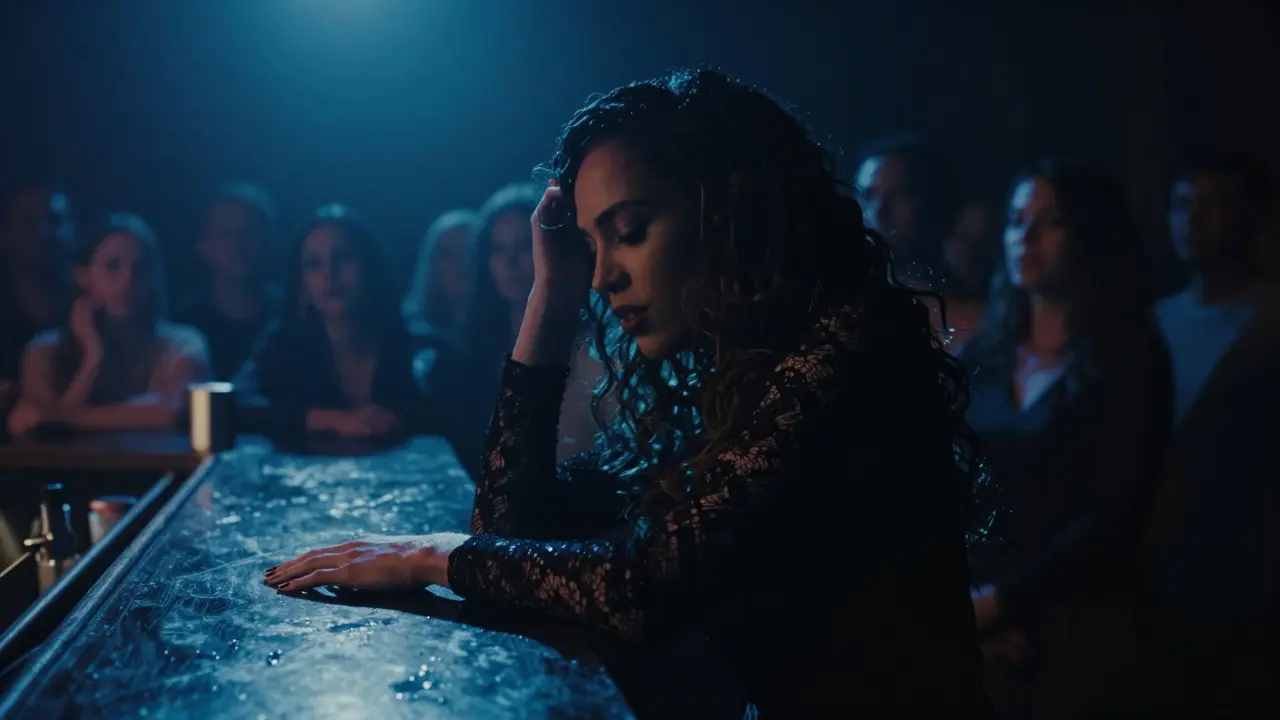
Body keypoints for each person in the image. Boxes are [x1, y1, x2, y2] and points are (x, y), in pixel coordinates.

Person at [266, 70, 989, 714]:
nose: (604, 274)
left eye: (630, 232)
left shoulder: (848, 342)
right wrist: (551, 295)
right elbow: (511, 523)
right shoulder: (723, 369)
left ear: (727, 211)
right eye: (590, 244)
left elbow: (644, 587)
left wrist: (433, 556)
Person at [960, 160, 1172, 717]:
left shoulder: (1127, 358)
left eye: (1050, 221)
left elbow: (1115, 509)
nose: (1024, 236)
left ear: (1090, 234)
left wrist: (1003, 602)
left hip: (1077, 617)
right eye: (1014, 219)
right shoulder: (983, 357)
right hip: (972, 607)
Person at [235, 204, 460, 440]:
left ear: (369, 268)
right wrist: (325, 418)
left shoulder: (423, 352)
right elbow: (236, 402)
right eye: (313, 264)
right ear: (301, 284)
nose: (328, 274)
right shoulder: (281, 345)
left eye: (342, 258)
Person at [7, 213, 211, 434]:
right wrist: (93, 357)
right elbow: (35, 427)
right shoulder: (44, 351)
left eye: (140, 269)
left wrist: (58, 416)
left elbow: (168, 411)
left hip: (157, 468)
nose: (128, 280)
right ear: (83, 276)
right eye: (112, 267)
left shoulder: (183, 344)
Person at [174, 182, 279, 380]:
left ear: (269, 241)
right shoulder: (182, 328)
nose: (238, 243)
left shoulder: (293, 318)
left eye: (249, 232)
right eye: (224, 233)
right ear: (203, 245)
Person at [402, 208, 476, 338]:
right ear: (432, 262)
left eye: (470, 251)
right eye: (449, 254)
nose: (462, 262)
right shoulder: (406, 330)